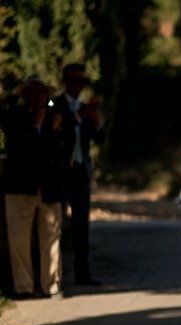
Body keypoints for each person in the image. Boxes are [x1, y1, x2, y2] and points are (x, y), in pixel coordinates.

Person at [0, 76, 65, 298]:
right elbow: (16, 149)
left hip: (49, 188)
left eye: (42, 92)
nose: (38, 96)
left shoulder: (56, 117)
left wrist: (54, 130)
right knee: (18, 240)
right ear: (25, 94)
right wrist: (34, 125)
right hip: (19, 187)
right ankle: (24, 286)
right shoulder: (14, 117)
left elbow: (61, 152)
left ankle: (51, 285)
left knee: (51, 239)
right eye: (34, 91)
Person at [53, 63, 105, 286]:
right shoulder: (56, 104)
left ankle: (82, 272)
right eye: (74, 81)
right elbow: (52, 134)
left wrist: (97, 122)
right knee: (54, 223)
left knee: (81, 224)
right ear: (65, 81)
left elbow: (98, 139)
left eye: (82, 82)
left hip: (81, 172)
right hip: (60, 172)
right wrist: (74, 117)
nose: (78, 86)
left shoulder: (86, 108)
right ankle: (53, 274)